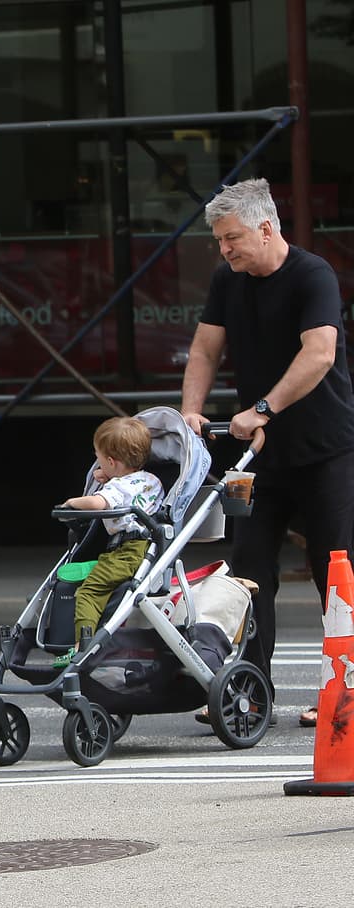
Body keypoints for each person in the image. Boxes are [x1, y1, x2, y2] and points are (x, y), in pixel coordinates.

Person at [180, 177, 354, 728]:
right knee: (250, 569)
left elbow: (319, 353)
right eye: (219, 240)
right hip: (257, 454)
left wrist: (263, 408)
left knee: (336, 571)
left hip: (325, 448)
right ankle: (252, 692)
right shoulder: (227, 280)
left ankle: (344, 692)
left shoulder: (312, 274)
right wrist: (190, 413)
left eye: (231, 238)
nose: (224, 249)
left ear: (265, 228)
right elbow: (205, 349)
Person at [52, 416, 163, 668]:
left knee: (88, 592)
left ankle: (82, 647)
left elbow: (99, 503)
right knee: (103, 576)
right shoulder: (151, 481)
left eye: (99, 459)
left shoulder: (117, 488)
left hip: (125, 551)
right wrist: (111, 478)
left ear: (111, 462)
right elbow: (129, 492)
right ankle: (95, 569)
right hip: (143, 549)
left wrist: (71, 503)